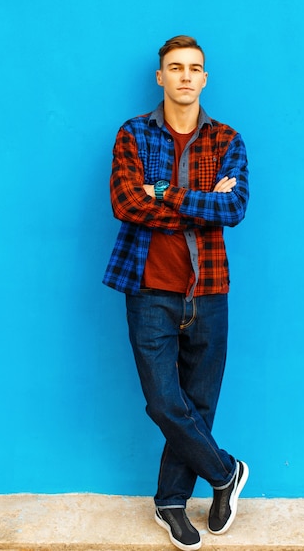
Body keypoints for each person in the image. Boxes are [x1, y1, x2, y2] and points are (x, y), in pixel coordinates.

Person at [103, 35, 249, 550]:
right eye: (175, 68)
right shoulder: (133, 135)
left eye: (195, 68)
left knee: (200, 403)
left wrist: (164, 192)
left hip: (210, 292)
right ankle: (226, 472)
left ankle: (169, 501)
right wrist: (202, 200)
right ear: (161, 77)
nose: (185, 76)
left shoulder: (227, 140)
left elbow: (233, 211)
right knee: (165, 401)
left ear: (204, 78)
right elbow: (126, 203)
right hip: (148, 291)